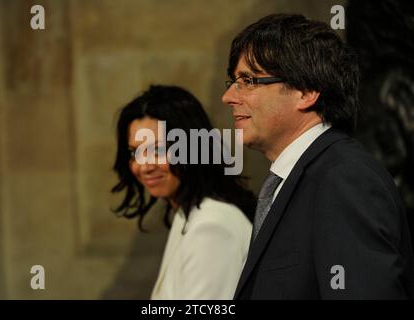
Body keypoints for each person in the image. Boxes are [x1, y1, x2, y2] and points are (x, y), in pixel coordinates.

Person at [221, 13, 414, 299]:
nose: (229, 97)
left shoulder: (344, 178)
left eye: (248, 80)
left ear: (307, 92)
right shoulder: (297, 178)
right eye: (233, 81)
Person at [112, 85, 256, 299]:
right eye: (135, 152)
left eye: (158, 150)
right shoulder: (188, 213)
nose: (144, 166)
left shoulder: (212, 226)